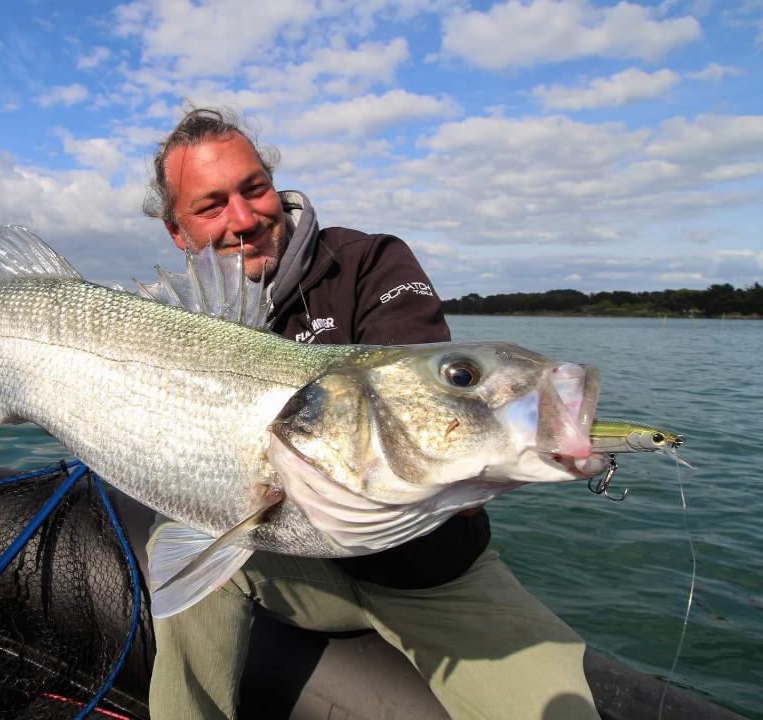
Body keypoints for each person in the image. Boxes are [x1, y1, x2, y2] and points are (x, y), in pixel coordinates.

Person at [142, 107, 599, 720]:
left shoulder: (371, 261)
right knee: (184, 547)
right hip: (290, 563)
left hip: (429, 570)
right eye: (212, 205)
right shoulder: (178, 324)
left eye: (255, 189)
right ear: (178, 231)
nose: (245, 220)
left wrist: (495, 451)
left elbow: (422, 396)